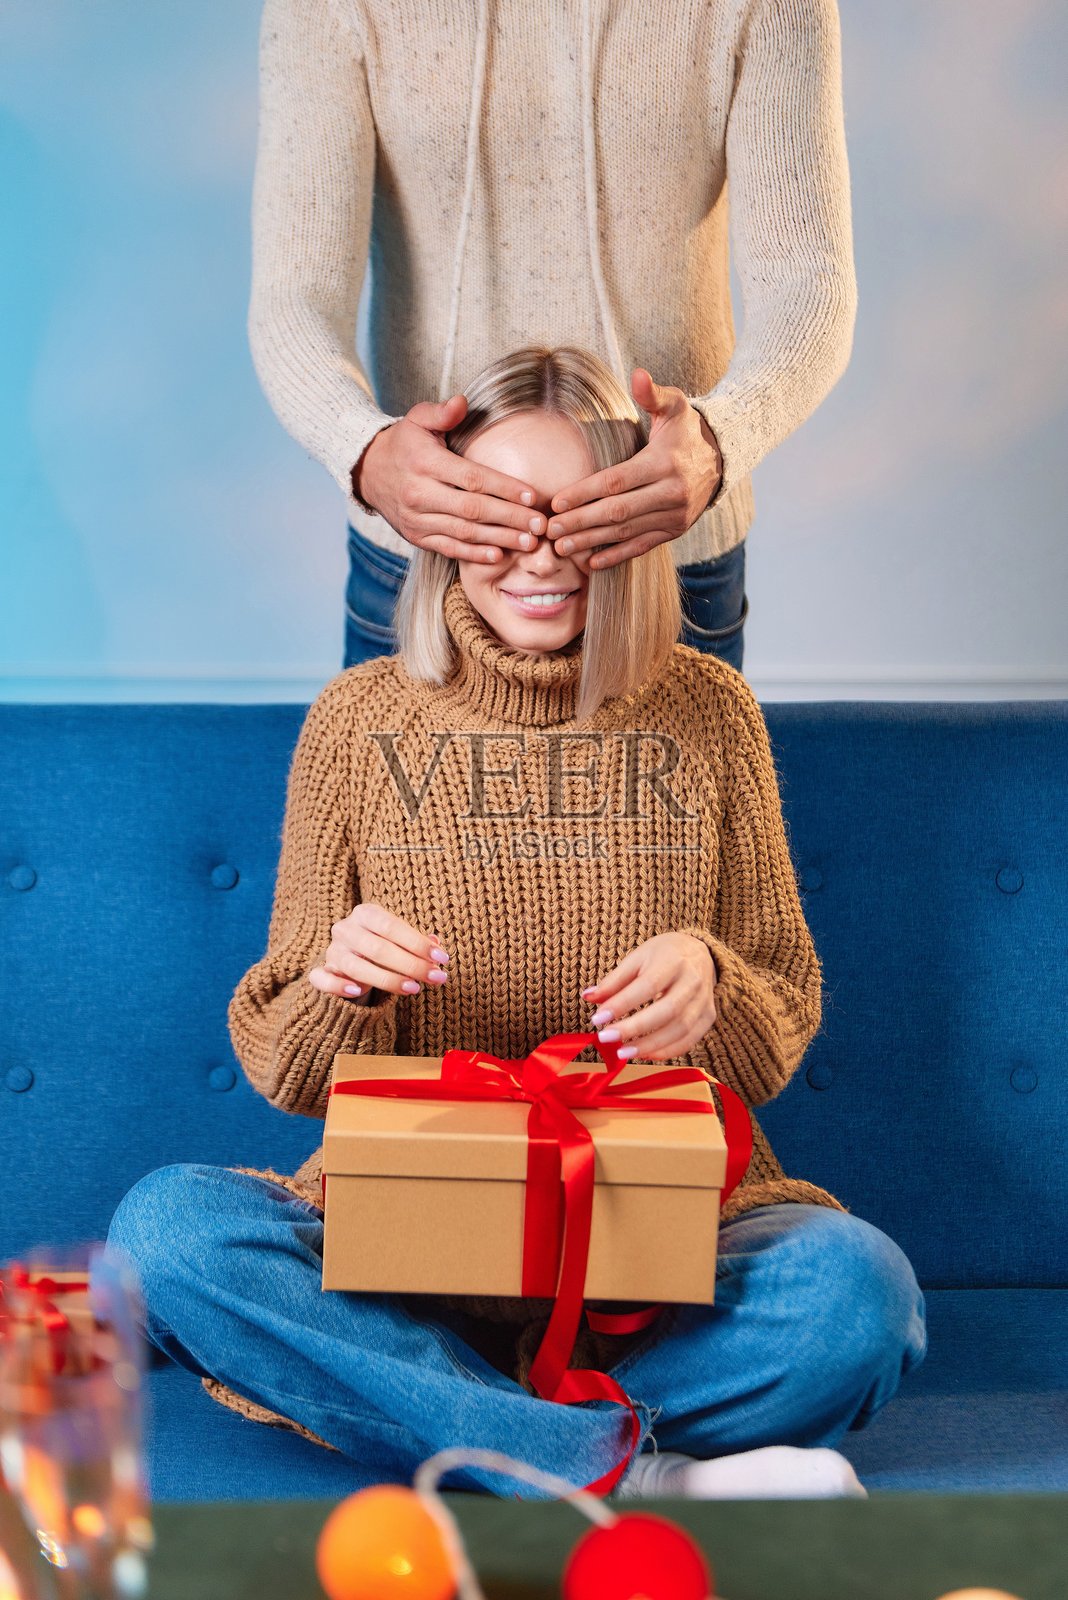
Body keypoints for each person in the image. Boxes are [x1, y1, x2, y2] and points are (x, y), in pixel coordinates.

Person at [105, 349, 923, 1501]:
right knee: (165, 1235)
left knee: (860, 1296)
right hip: (405, 1248)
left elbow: (779, 1020)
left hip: (660, 1256)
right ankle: (626, 1469)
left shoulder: (710, 713)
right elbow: (279, 1062)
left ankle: (452, 1422)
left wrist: (715, 981)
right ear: (439, 529)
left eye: (573, 519)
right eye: (496, 519)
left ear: (630, 527)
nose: (536, 557)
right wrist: (337, 985)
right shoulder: (355, 724)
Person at [247, 0, 858, 674]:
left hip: (663, 558)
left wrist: (719, 443)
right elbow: (293, 297)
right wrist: (361, 452)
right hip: (425, 556)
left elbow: (811, 285)